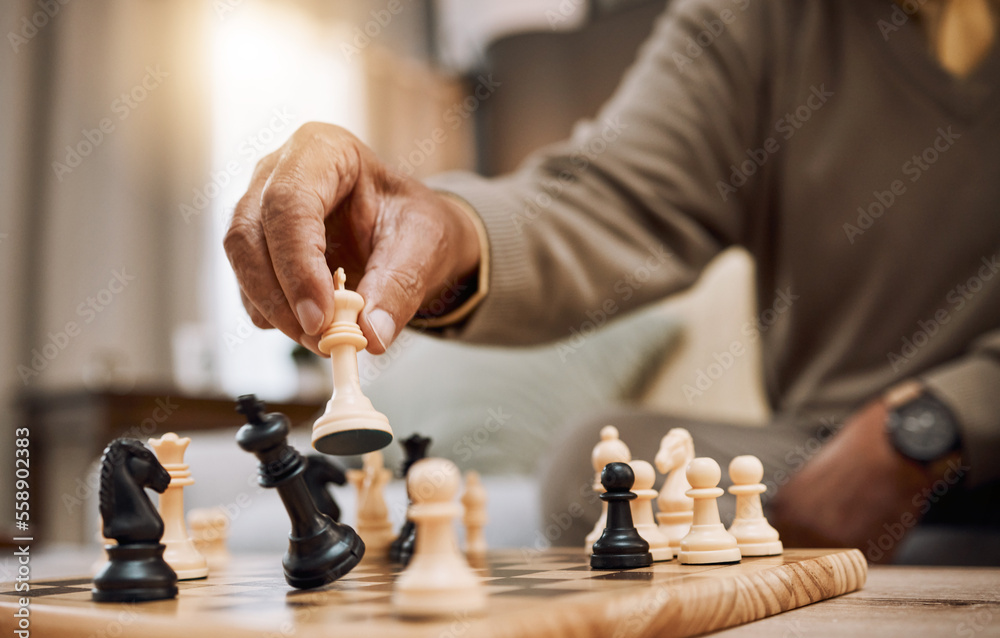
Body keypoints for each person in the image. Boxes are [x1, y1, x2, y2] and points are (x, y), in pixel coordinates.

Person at [224, 0, 1000, 559]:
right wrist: (443, 225)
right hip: (824, 449)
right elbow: (605, 202)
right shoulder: (757, 19)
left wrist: (935, 422)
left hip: (955, 431)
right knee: (593, 470)